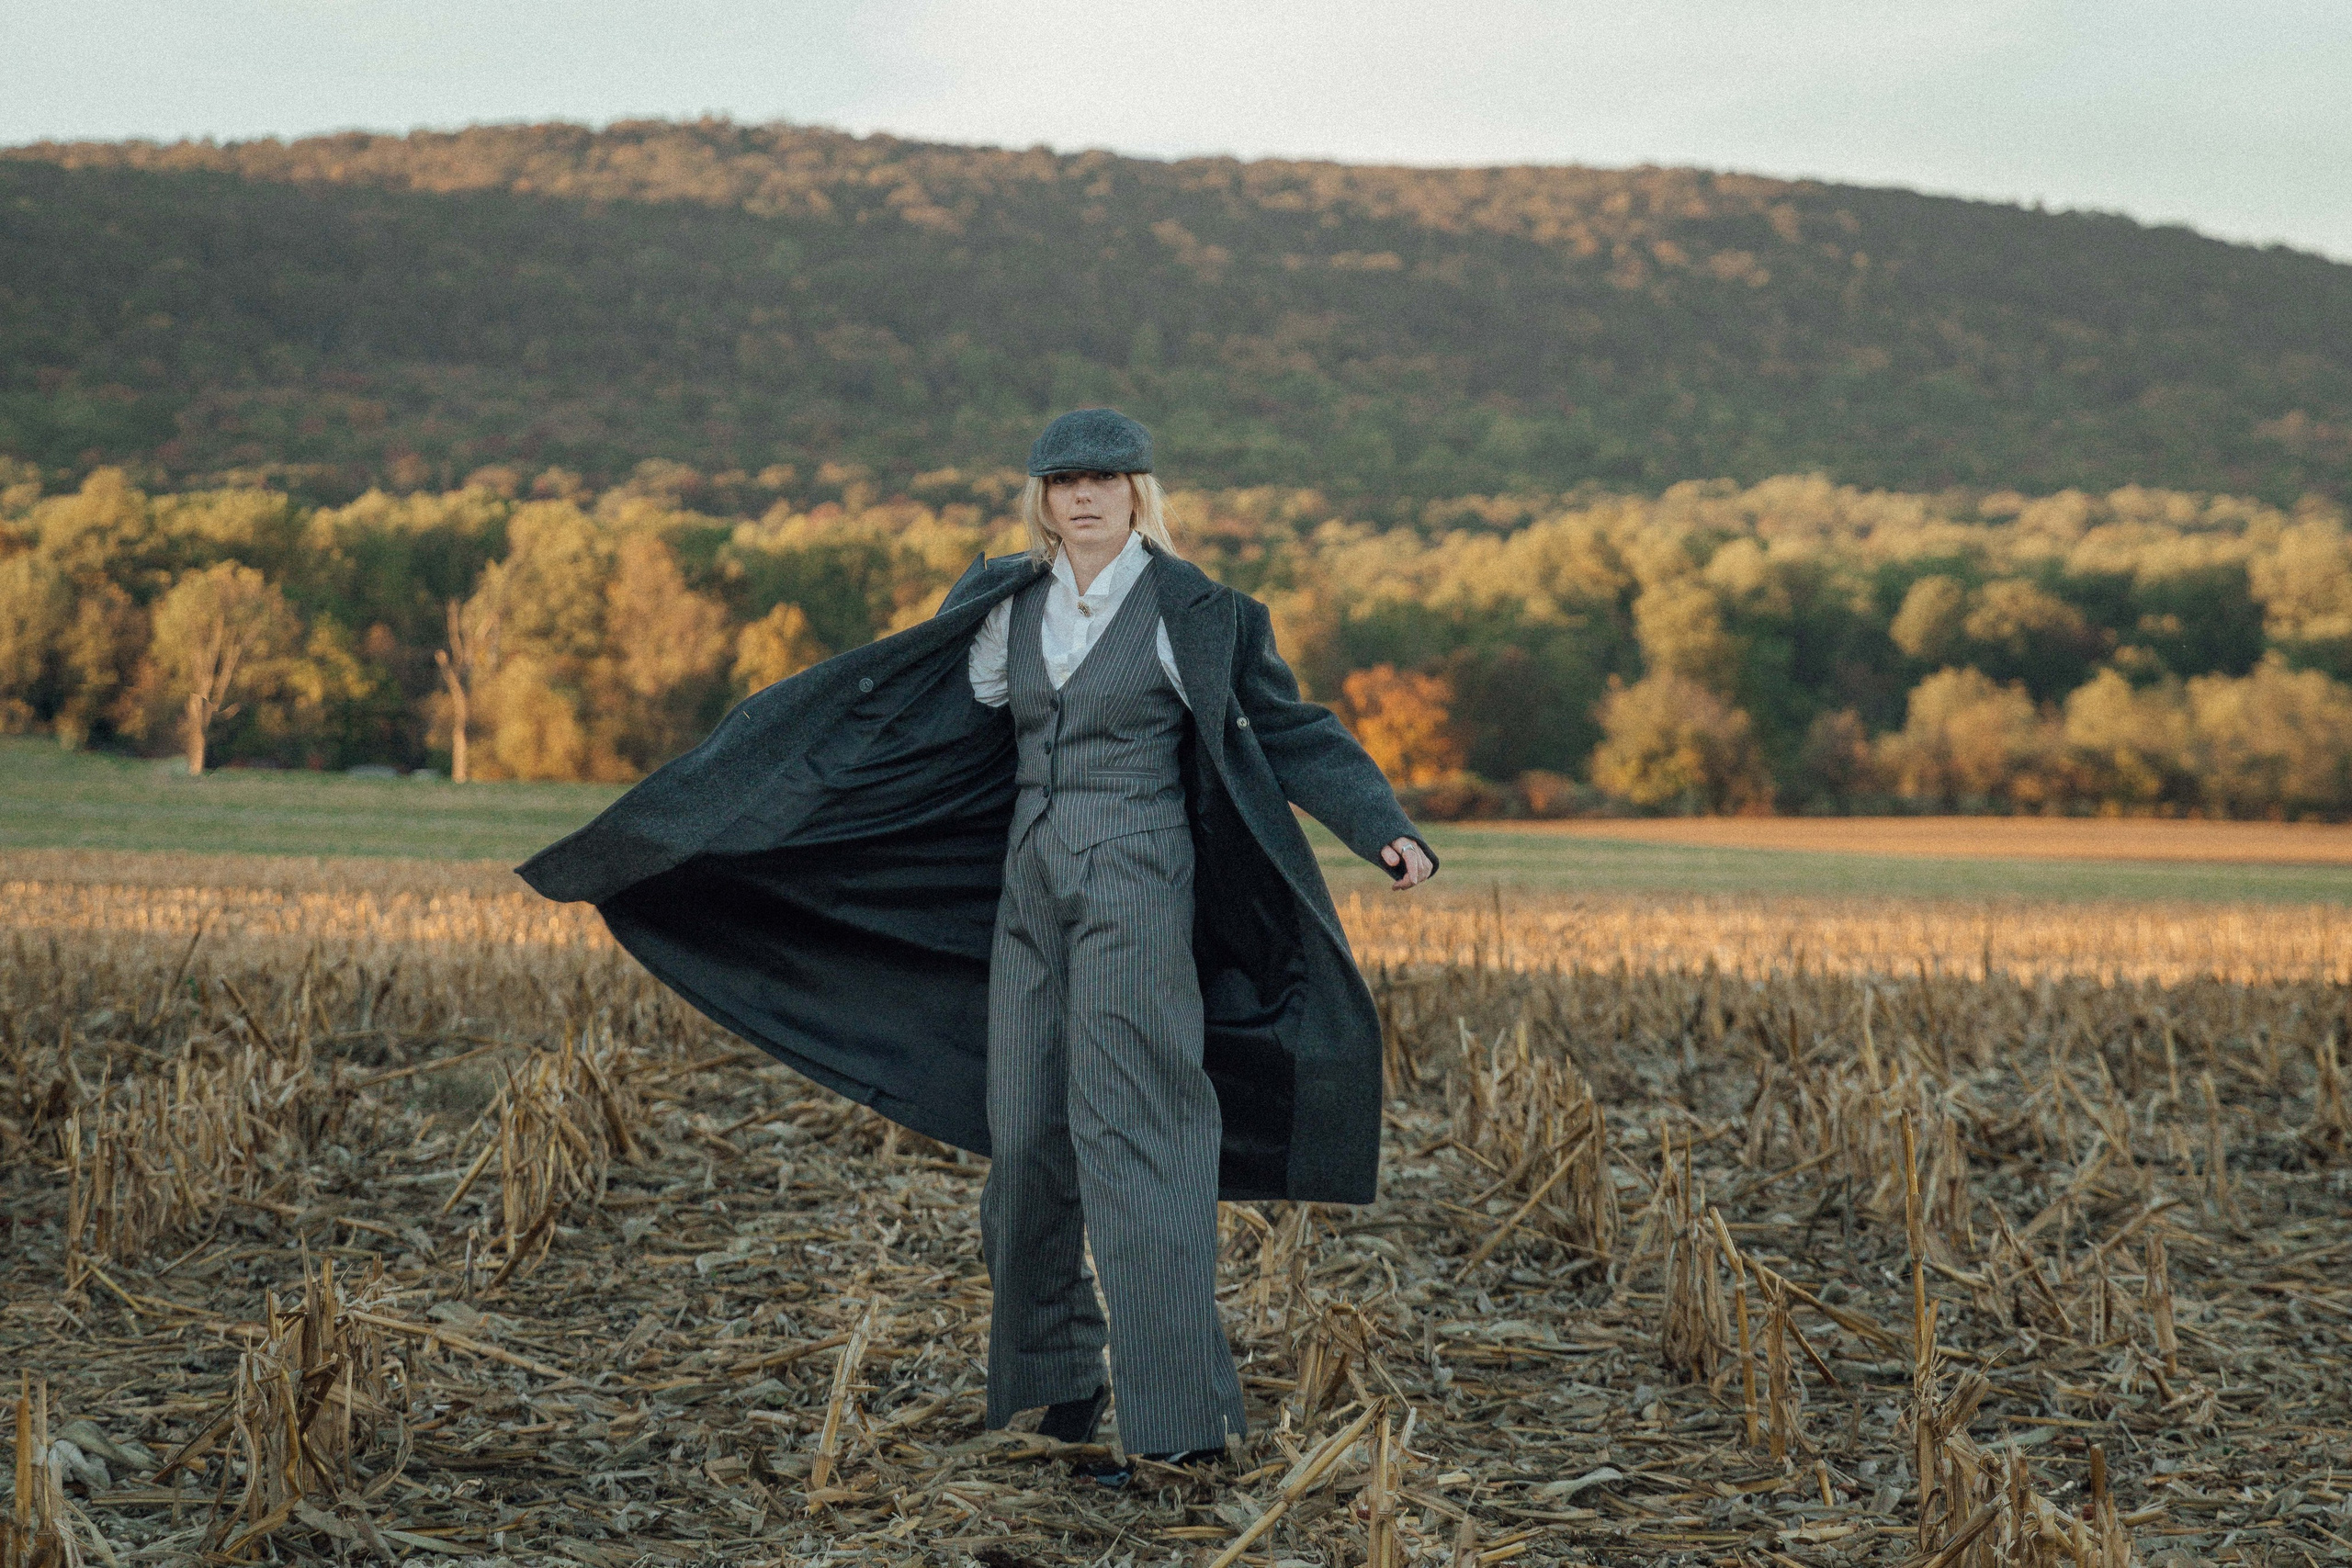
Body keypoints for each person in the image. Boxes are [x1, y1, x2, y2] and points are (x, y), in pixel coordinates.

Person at [516, 407, 1435, 1488]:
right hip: (1025, 885)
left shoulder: (1204, 612)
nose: (1081, 496)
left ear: (1140, 491)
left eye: (1103, 478)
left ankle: (1180, 1429)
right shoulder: (1006, 603)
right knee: (1028, 1135)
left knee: (1138, 1134)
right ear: (1039, 497)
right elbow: (919, 724)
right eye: (1061, 482)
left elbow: (1291, 729)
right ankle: (1052, 1388)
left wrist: (1383, 825)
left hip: (1140, 884)